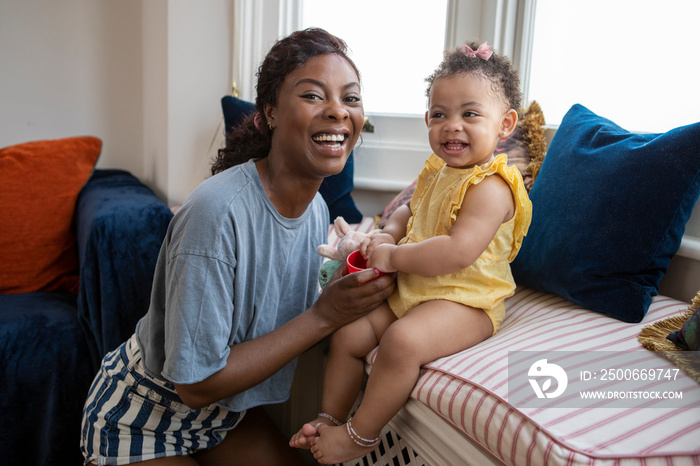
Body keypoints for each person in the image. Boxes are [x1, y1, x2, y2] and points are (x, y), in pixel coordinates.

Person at [79, 28, 395, 466]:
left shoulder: (318, 212)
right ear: (270, 113)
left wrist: (338, 287)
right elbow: (195, 385)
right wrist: (325, 315)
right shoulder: (217, 212)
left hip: (219, 420)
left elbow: (276, 304)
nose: (337, 111)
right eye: (312, 96)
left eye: (351, 98)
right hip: (139, 420)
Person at [290, 41, 533, 464]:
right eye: (440, 115)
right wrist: (388, 234)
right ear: (427, 120)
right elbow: (409, 209)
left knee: (401, 342)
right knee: (349, 334)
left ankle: (359, 436)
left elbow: (458, 252)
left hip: (465, 300)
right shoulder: (438, 170)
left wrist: (395, 258)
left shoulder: (493, 187)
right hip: (416, 289)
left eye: (470, 114)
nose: (452, 125)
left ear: (505, 124)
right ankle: (328, 418)